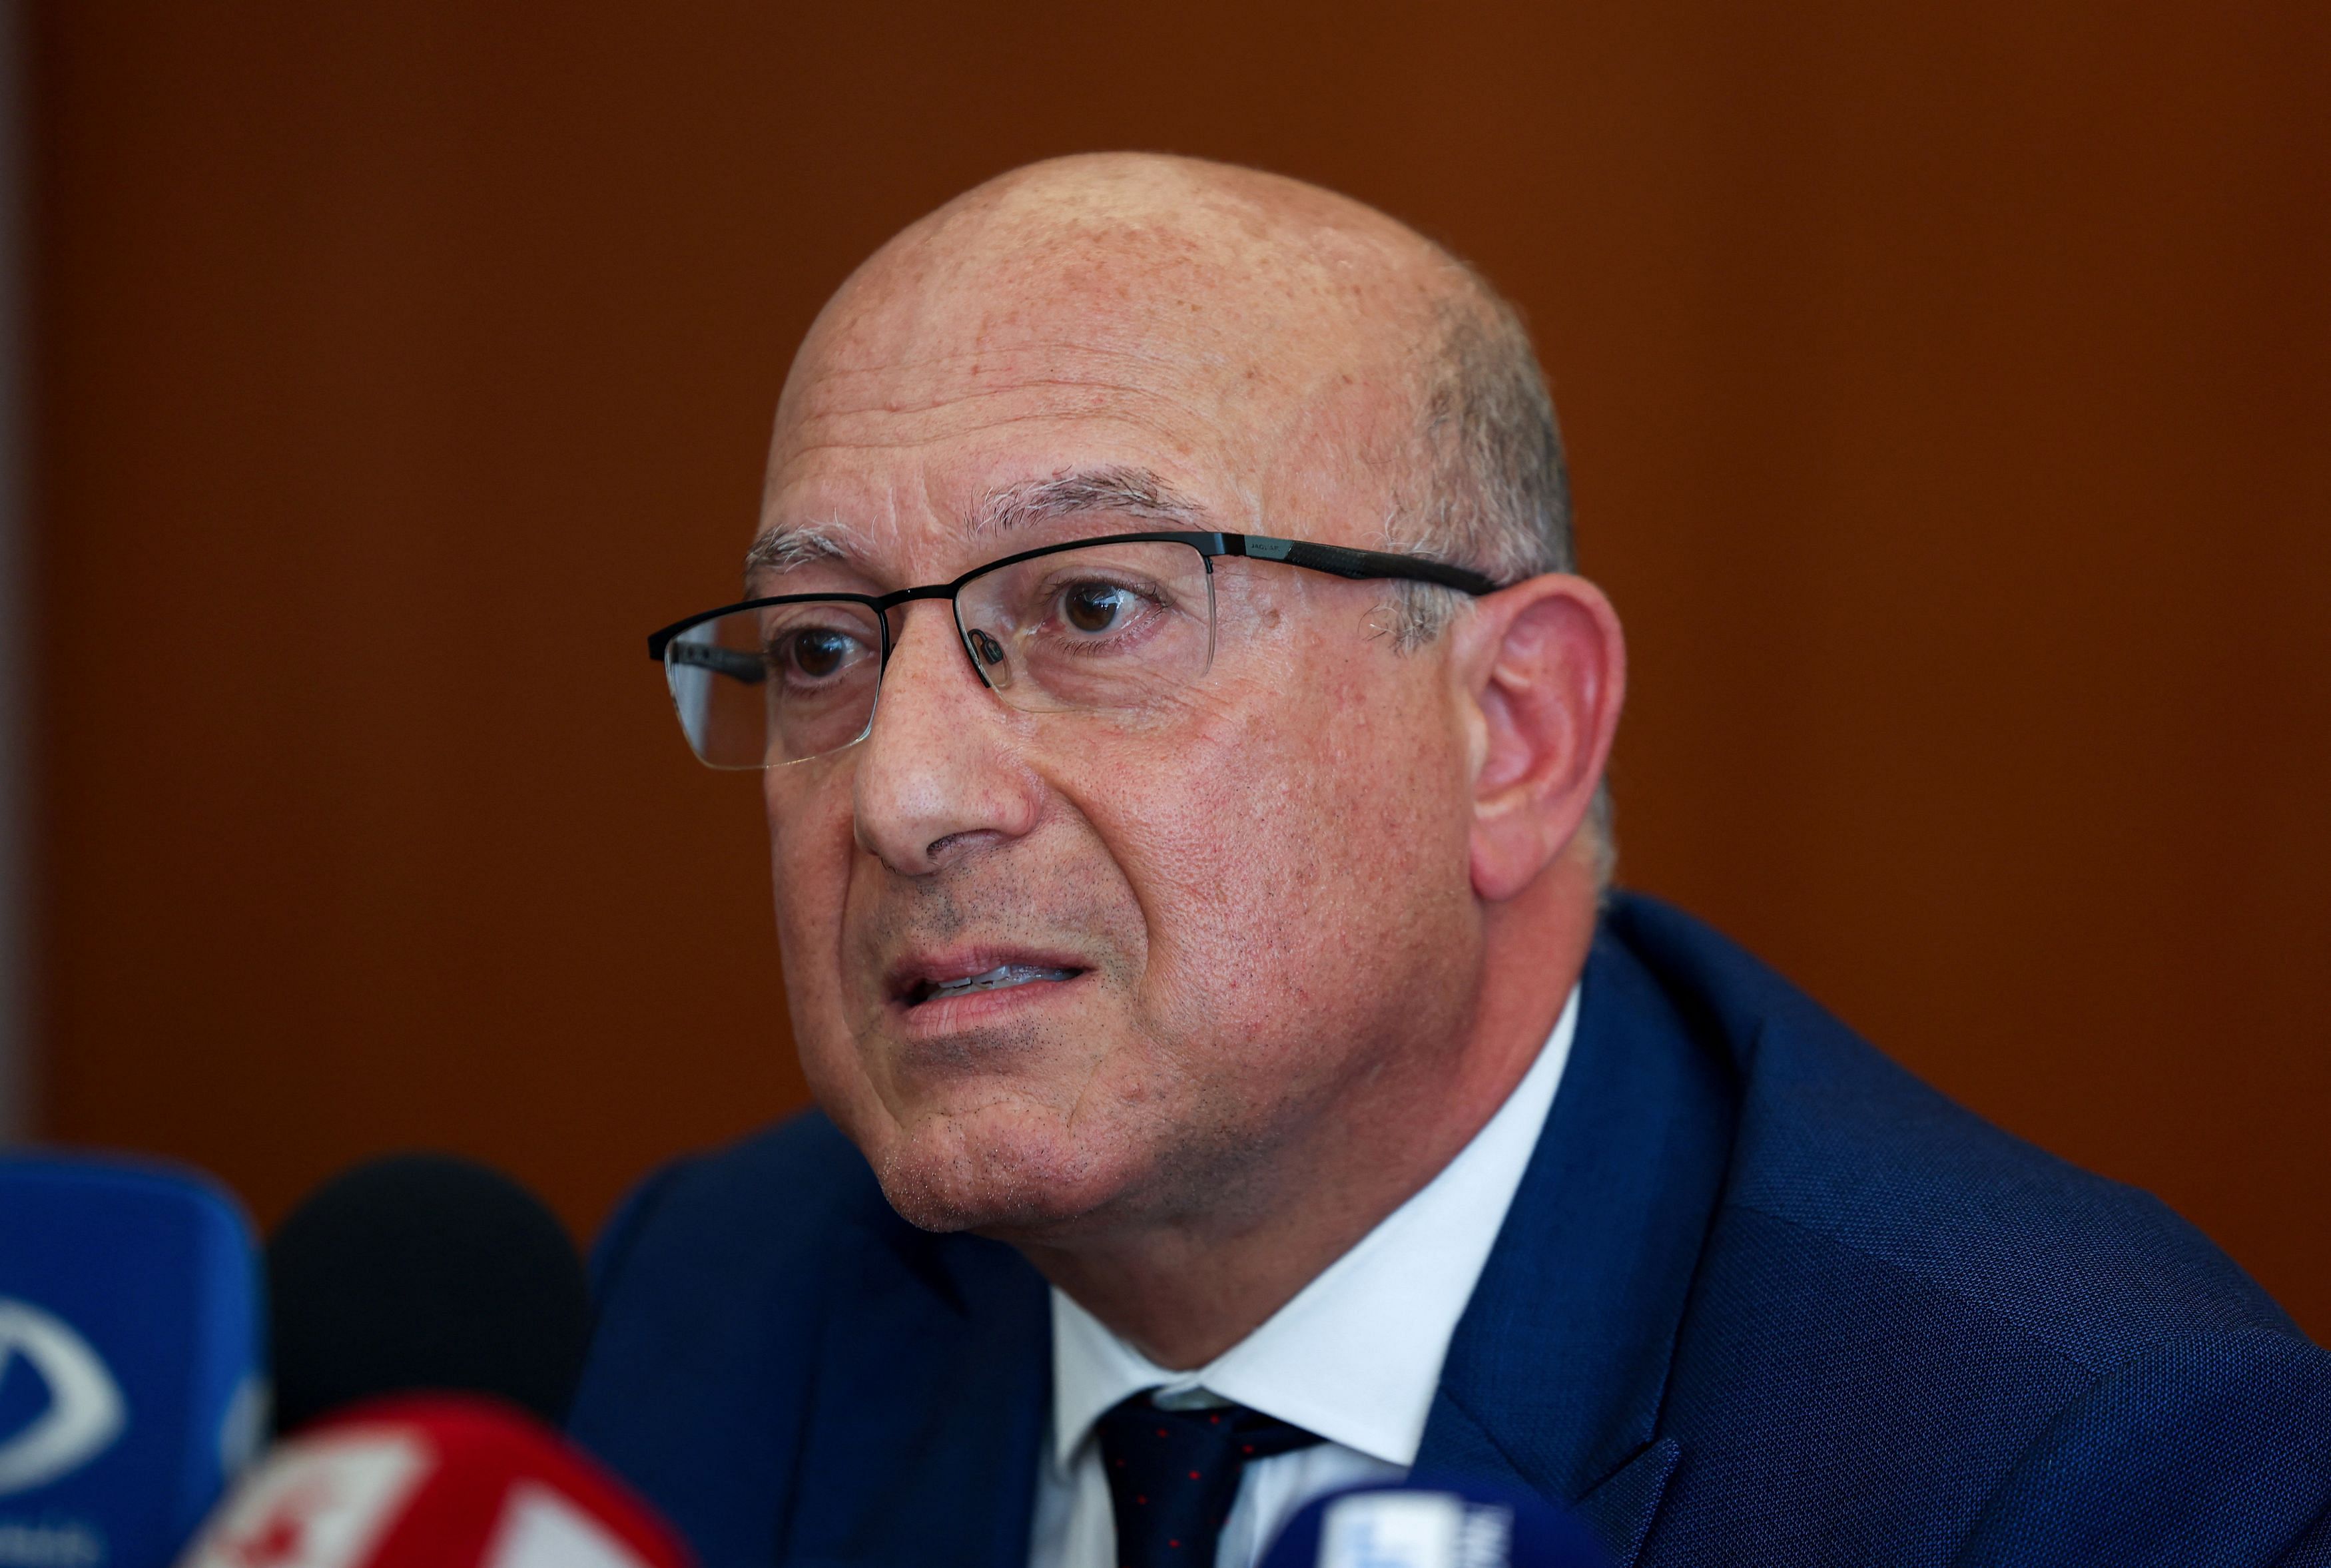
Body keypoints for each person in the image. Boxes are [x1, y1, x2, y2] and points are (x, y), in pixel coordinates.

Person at [570, 154, 2331, 1567]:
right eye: (816, 650)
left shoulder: (2079, 1474)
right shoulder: (701, 1309)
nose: (903, 793)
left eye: (1093, 606)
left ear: (1514, 732)